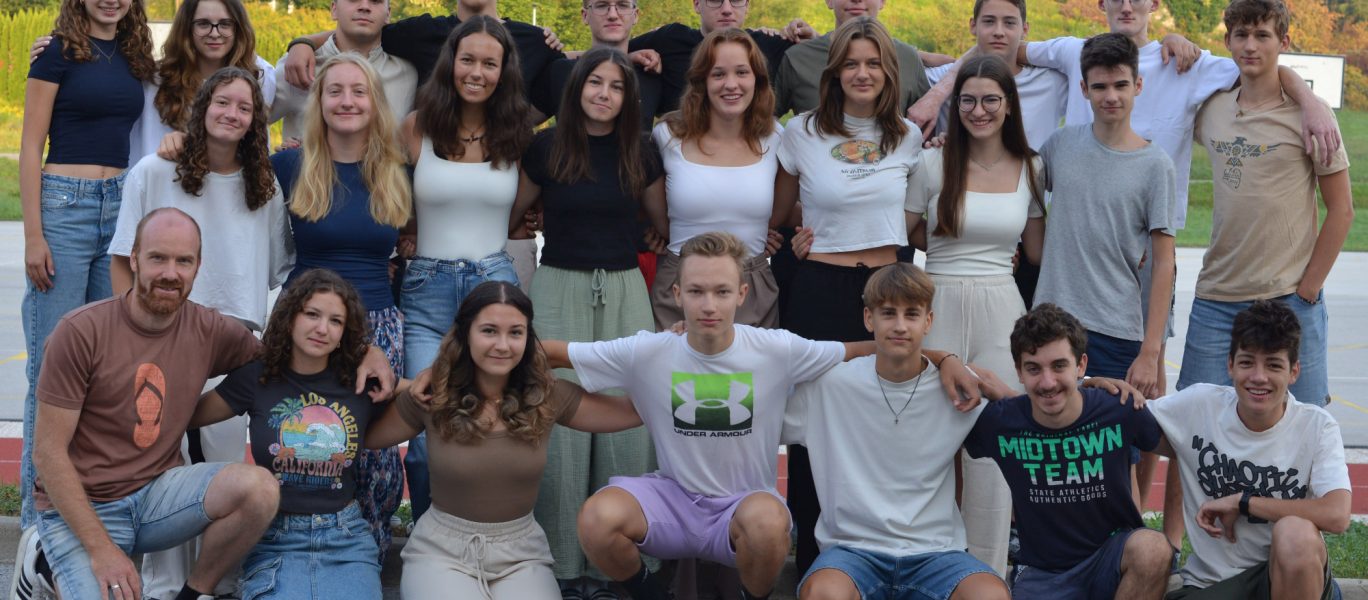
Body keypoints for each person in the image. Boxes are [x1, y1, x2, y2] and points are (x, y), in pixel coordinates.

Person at [546, 232, 982, 600]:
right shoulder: (647, 351)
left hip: (744, 506)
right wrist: (507, 364)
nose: (709, 305)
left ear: (742, 294)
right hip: (674, 498)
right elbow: (555, 353)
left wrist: (944, 358)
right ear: (677, 295)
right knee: (597, 518)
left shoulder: (777, 349)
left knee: (770, 523)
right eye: (696, 292)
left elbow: (865, 347)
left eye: (721, 292)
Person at [12, 209, 395, 600]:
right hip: (84, 507)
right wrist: (103, 552)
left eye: (183, 261)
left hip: (155, 496)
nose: (170, 273)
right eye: (158, 258)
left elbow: (287, 355)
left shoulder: (208, 330)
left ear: (197, 268)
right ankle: (42, 561)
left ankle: (195, 593)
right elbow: (47, 453)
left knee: (259, 489)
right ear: (134, 260)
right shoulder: (80, 332)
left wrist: (367, 350)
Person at [105, 68, 294, 599]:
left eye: (245, 107)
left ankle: (215, 582)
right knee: (162, 463)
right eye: (222, 102)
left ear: (256, 121)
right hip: (160, 335)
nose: (232, 114)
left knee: (223, 465)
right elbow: (122, 256)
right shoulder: (154, 171)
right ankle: (163, 586)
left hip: (232, 342)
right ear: (203, 106)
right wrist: (128, 335)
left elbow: (276, 267)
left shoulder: (263, 186)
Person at [769, 16, 923, 575]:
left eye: (873, 63)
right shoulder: (801, 132)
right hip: (820, 290)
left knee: (882, 420)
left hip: (887, 292)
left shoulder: (908, 136)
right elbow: (778, 215)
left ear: (889, 72)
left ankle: (876, 554)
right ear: (834, 72)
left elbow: (915, 218)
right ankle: (811, 558)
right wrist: (797, 239)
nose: (863, 73)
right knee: (813, 425)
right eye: (851, 63)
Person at [509, 47, 664, 596]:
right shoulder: (547, 147)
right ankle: (561, 565)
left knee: (630, 418)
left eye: (616, 86)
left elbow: (661, 221)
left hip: (624, 288)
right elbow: (515, 215)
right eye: (595, 82)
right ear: (576, 89)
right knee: (556, 423)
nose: (604, 94)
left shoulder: (640, 151)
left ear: (628, 98)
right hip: (558, 287)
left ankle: (616, 563)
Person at [382, 281, 647, 599]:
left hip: (521, 554)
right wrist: (384, 372)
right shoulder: (431, 396)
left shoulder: (546, 396)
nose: (503, 345)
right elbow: (365, 430)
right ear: (465, 334)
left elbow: (637, 410)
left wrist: (685, 351)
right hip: (441, 551)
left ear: (529, 339)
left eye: (516, 333)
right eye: (489, 331)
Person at [899, 53, 1046, 577]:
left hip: (1002, 308)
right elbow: (906, 231)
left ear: (1009, 105)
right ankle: (922, 568)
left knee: (994, 450)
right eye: (967, 100)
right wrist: (949, 247)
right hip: (937, 303)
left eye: (990, 100)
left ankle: (986, 574)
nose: (978, 111)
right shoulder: (932, 163)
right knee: (929, 445)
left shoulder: (1031, 166)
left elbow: (1036, 250)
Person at [785, 262, 1010, 600]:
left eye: (912, 314)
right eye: (888, 313)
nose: (900, 326)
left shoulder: (957, 386)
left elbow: (1030, 423)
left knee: (990, 594)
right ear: (869, 318)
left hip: (936, 554)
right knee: (823, 593)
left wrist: (1081, 386)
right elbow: (759, 423)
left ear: (928, 321)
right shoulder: (829, 385)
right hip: (852, 552)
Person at [187, 269, 415, 599]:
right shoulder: (257, 377)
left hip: (345, 539)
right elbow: (188, 416)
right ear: (290, 316)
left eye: (335, 321)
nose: (322, 328)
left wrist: (387, 365)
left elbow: (419, 393)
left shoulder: (357, 379)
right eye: (312, 314)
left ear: (344, 332)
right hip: (274, 538)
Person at [17, 0, 155, 530]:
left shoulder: (136, 55)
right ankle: (37, 525)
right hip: (63, 208)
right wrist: (34, 235)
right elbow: (30, 147)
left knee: (103, 365)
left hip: (119, 208)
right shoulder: (55, 53)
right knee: (50, 367)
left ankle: (86, 509)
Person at [270, 54, 413, 562]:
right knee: (305, 440)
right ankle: (293, 548)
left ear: (375, 102)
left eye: (358, 91)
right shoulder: (289, 166)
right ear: (320, 102)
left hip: (377, 322)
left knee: (372, 450)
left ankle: (366, 554)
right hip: (304, 321)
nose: (347, 101)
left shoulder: (397, 171)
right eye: (335, 91)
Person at [1177, 0, 1353, 408]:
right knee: (1193, 417)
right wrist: (1171, 38)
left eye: (1262, 35)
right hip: (1217, 296)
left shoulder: (1311, 117)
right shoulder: (1212, 109)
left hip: (1289, 296)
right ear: (1227, 40)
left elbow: (1342, 210)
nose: (1250, 46)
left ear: (1284, 42)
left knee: (1304, 422)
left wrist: (1308, 290)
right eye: (1241, 35)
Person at [399, 15, 531, 524]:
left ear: (504, 71)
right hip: (426, 290)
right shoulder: (416, 127)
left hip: (494, 288)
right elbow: (393, 200)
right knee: (424, 433)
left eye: (489, 63)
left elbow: (528, 206)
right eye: (468, 59)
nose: (477, 72)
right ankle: (429, 539)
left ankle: (489, 533)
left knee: (494, 424)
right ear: (450, 63)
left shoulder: (518, 133)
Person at [963, 303, 1173, 599]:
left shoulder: (1118, 408)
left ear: (1081, 365)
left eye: (1059, 366)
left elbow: (1184, 447)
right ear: (1018, 371)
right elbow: (929, 374)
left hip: (1110, 559)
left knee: (1153, 548)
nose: (1048, 382)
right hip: (1044, 573)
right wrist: (946, 360)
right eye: (1034, 369)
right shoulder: (1001, 422)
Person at [1150, 300, 1351, 600]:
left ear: (1294, 371)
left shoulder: (1316, 426)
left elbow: (1337, 515)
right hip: (1213, 584)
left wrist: (1244, 502)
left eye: (1274, 365)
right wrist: (1093, 384)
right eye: (1247, 363)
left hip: (1286, 577)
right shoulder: (1199, 406)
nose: (1259, 377)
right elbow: (1123, 416)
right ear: (1230, 365)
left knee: (1295, 534)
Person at [1033, 33, 1174, 399]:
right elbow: (1016, 196)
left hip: (1116, 330)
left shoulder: (1156, 165)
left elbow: (1163, 264)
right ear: (1084, 89)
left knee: (1112, 434)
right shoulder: (1060, 146)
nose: (1111, 96)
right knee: (1053, 428)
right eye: (1099, 86)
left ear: (1138, 85)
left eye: (1120, 85)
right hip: (1052, 321)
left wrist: (1151, 351)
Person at [647, 29, 784, 331]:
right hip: (681, 284)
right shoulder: (667, 135)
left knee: (751, 365)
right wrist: (648, 232)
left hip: (751, 285)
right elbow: (650, 210)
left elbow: (788, 205)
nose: (731, 84)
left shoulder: (775, 136)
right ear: (702, 81)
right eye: (718, 74)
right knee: (677, 364)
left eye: (742, 72)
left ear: (758, 80)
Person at [269, 0, 418, 143]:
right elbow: (256, 120)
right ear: (334, 9)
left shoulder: (408, 75)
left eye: (376, 1)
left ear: (388, 14)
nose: (364, 6)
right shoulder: (300, 65)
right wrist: (279, 158)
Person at [628, 0, 814, 113]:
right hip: (679, 156)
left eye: (736, 0)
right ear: (696, 4)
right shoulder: (670, 39)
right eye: (715, 0)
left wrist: (812, 36)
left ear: (747, 5)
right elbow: (612, 54)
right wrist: (631, 57)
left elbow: (825, 57)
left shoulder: (769, 44)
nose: (726, 9)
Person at [772, 0, 932, 117]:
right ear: (829, 1)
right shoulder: (798, 57)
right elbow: (766, 122)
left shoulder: (908, 58)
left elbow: (928, 131)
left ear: (883, 1)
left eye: (874, 64)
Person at [534, 0, 664, 130]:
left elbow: (675, 120)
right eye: (602, 6)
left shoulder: (653, 74)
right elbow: (525, 120)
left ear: (635, 15)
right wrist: (538, 43)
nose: (612, 15)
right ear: (585, 15)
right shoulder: (561, 72)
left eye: (623, 5)